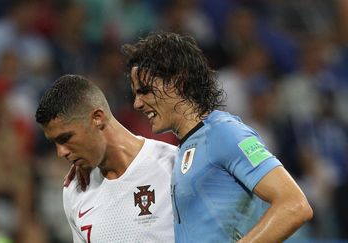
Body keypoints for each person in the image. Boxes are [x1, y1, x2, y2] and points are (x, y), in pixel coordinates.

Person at [121, 31, 313, 242]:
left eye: (145, 91)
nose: (137, 103)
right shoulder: (187, 148)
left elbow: (295, 205)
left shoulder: (225, 132)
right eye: (135, 93)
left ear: (179, 81)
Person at [35, 74, 176, 242]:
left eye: (65, 138)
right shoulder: (75, 190)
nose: (61, 152)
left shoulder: (172, 165)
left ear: (97, 118)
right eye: (55, 143)